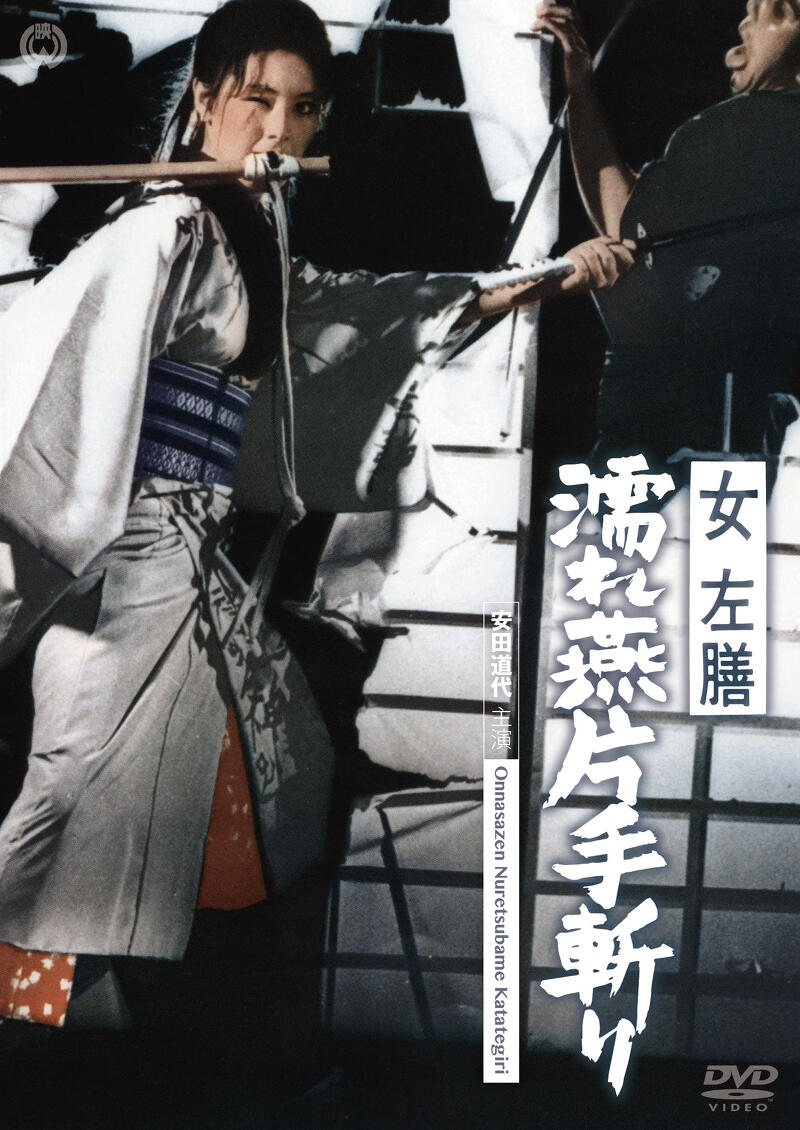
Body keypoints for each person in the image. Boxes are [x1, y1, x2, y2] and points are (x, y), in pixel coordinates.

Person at [0, 0, 633, 1025]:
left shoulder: (244, 232)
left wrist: (541, 282)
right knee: (76, 791)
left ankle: (102, 1033)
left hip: (185, 565)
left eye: (301, 109)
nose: (277, 129)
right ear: (203, 97)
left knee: (173, 812)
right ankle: (36, 1023)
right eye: (255, 100)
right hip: (124, 559)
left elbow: (361, 308)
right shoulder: (166, 226)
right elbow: (64, 381)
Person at [533, 0, 800, 476]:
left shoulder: (738, 127)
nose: (734, 52)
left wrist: (578, 83)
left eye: (774, 12)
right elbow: (625, 215)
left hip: (677, 422)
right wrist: (579, 86)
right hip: (746, 431)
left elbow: (627, 231)